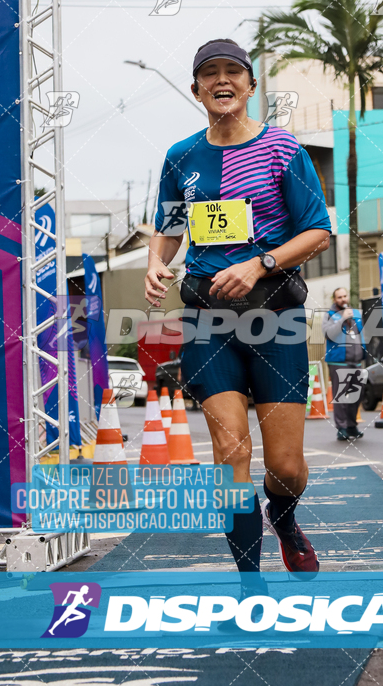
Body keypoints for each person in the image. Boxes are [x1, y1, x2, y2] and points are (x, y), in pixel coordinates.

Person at [145, 38, 331, 585]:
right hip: (208, 320)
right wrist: (157, 263)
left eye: (233, 72)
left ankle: (285, 518)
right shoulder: (182, 157)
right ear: (197, 89)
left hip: (274, 317)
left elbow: (319, 231)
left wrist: (260, 264)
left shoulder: (282, 150)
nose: (221, 81)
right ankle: (251, 584)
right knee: (230, 454)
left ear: (250, 85)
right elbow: (171, 228)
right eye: (209, 74)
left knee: (286, 468)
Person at [323, 287, 367, 441]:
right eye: (339, 297)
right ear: (335, 300)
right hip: (338, 361)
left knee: (356, 395)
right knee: (341, 396)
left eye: (344, 296)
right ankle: (341, 428)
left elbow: (361, 333)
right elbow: (328, 334)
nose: (342, 299)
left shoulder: (355, 314)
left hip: (356, 361)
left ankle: (351, 425)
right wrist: (342, 319)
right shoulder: (330, 315)